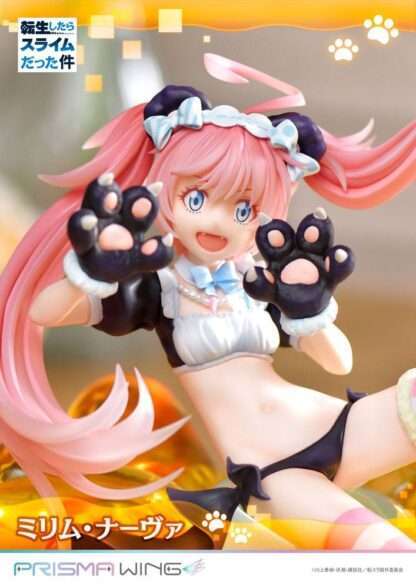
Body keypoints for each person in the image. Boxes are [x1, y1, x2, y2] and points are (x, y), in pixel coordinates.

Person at [2, 54, 416, 550]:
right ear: (165, 190)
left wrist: (310, 311)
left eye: (243, 210)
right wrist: (89, 274)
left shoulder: (257, 283)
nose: (218, 222)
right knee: (388, 556)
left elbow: (338, 361)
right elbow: (44, 312)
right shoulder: (161, 289)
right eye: (196, 199)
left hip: (335, 424)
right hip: (274, 474)